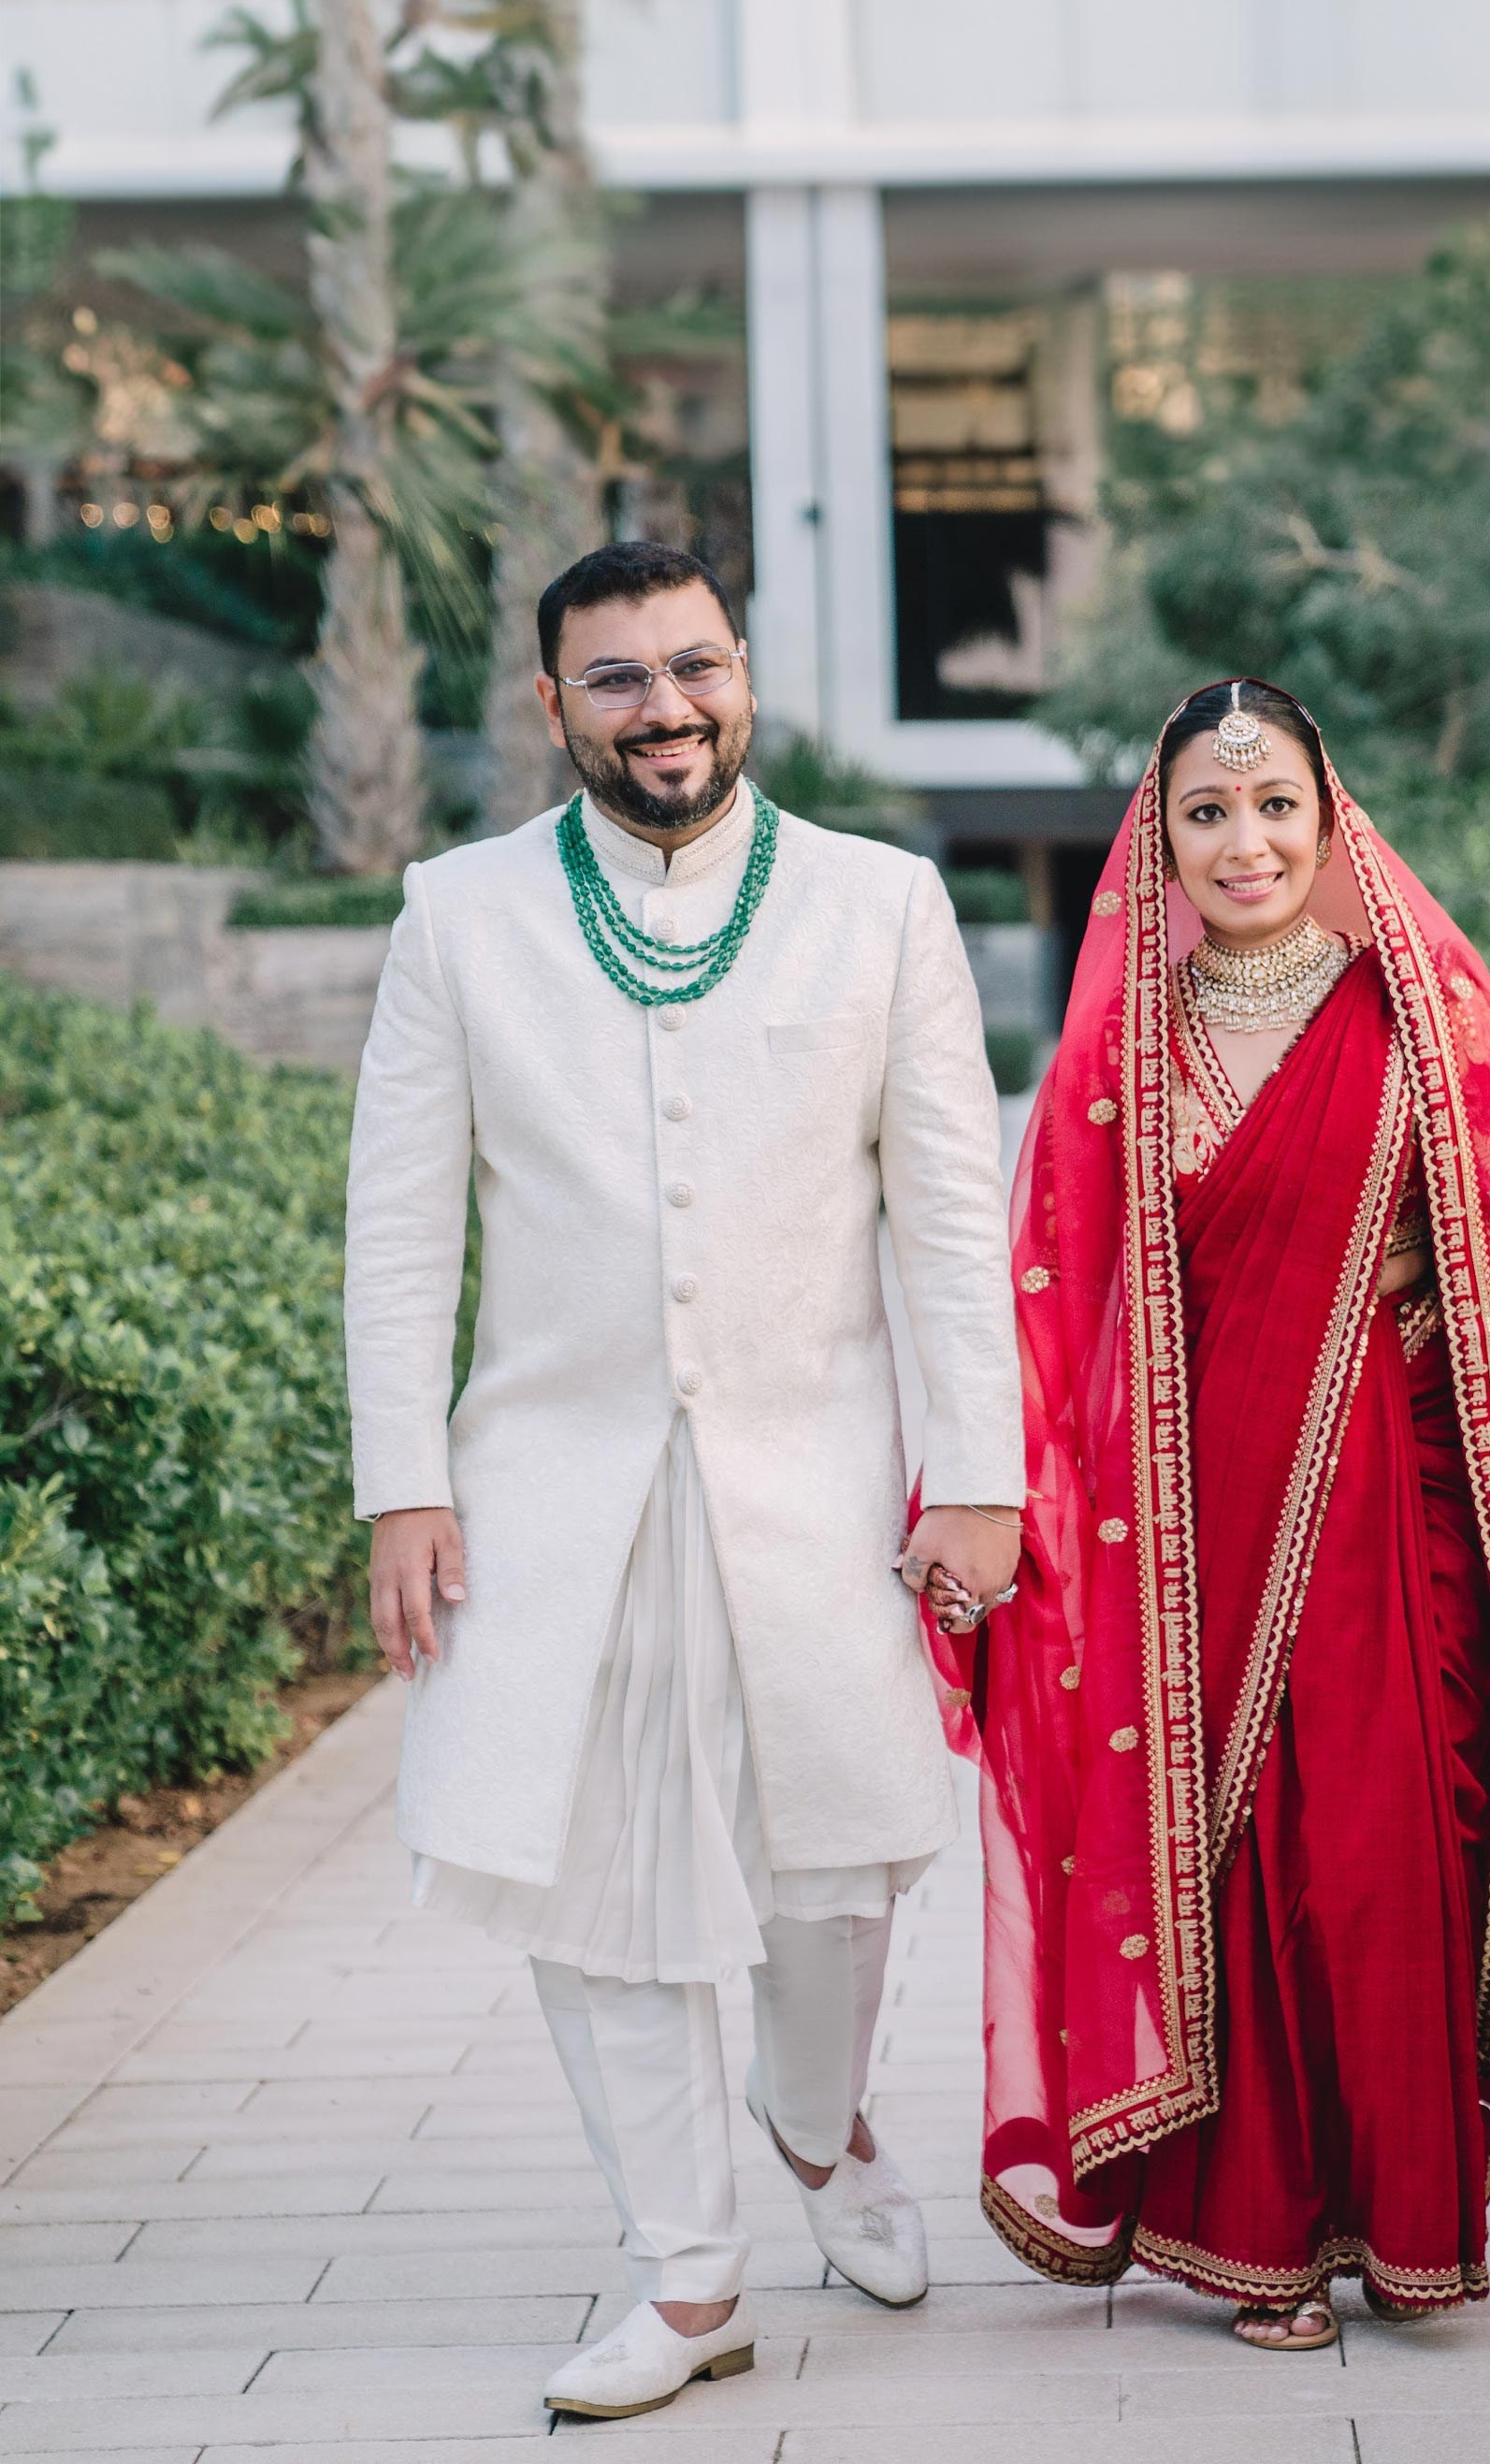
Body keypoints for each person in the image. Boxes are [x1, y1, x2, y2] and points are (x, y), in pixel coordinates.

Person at [936, 678, 1490, 2343]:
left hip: (1387, 1519)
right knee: (1227, 1855)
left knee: (1376, 1857)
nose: (1241, 842)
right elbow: (1059, 1302)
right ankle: (1255, 2227)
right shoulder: (1125, 1042)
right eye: (1203, 812)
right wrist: (997, 1502)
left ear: (1329, 823)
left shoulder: (1419, 1015)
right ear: (1156, 840)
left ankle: (1398, 2223)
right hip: (1184, 1538)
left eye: (1272, 809)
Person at [345, 542, 1024, 2421]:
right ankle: (687, 2270)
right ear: (553, 704)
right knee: (590, 1884)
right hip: (551, 1486)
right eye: (620, 677)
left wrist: (980, 1470)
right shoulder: (457, 915)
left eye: (695, 664)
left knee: (844, 1869)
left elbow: (950, 1217)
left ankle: (812, 2123)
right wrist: (401, 1483)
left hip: (822, 1477)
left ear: (745, 674)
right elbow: (396, 1227)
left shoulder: (877, 905)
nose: (669, 706)